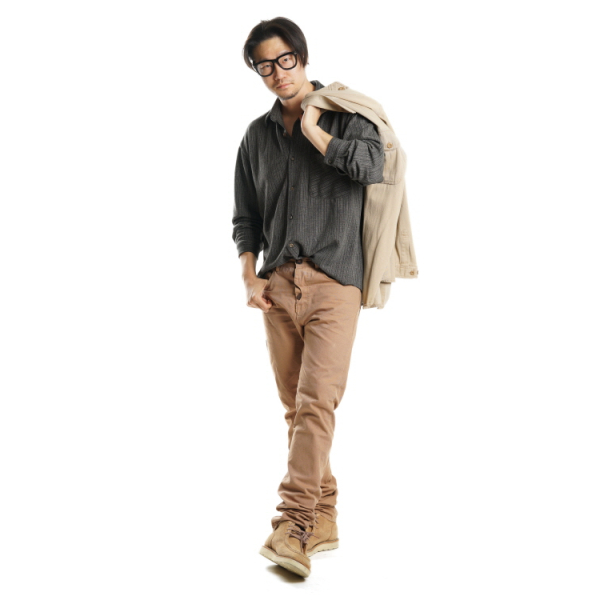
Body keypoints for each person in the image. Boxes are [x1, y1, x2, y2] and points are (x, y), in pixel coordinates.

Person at [232, 17, 384, 578]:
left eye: (285, 60)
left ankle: (291, 524)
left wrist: (316, 129)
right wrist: (250, 276)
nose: (277, 74)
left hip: (335, 282)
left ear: (302, 56)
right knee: (297, 410)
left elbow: (372, 167)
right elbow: (245, 218)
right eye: (264, 66)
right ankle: (325, 517)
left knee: (317, 402)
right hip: (276, 287)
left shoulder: (349, 116)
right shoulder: (256, 136)